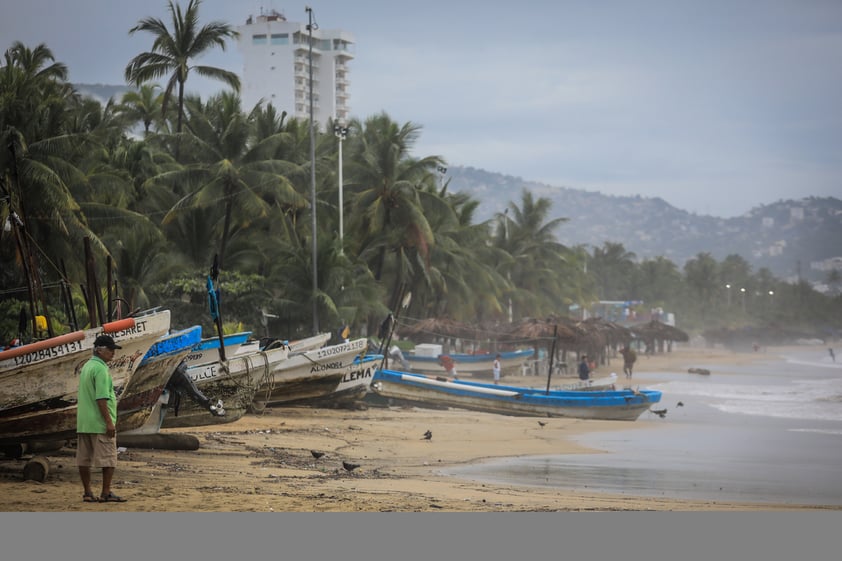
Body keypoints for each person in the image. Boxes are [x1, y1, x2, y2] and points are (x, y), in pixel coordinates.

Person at [76, 334, 127, 503]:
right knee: (109, 458)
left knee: (84, 458)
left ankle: (87, 492)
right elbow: (101, 397)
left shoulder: (87, 366)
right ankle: (105, 492)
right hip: (99, 422)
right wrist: (109, 422)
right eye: (110, 349)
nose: (113, 353)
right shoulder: (101, 369)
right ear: (99, 350)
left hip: (84, 422)